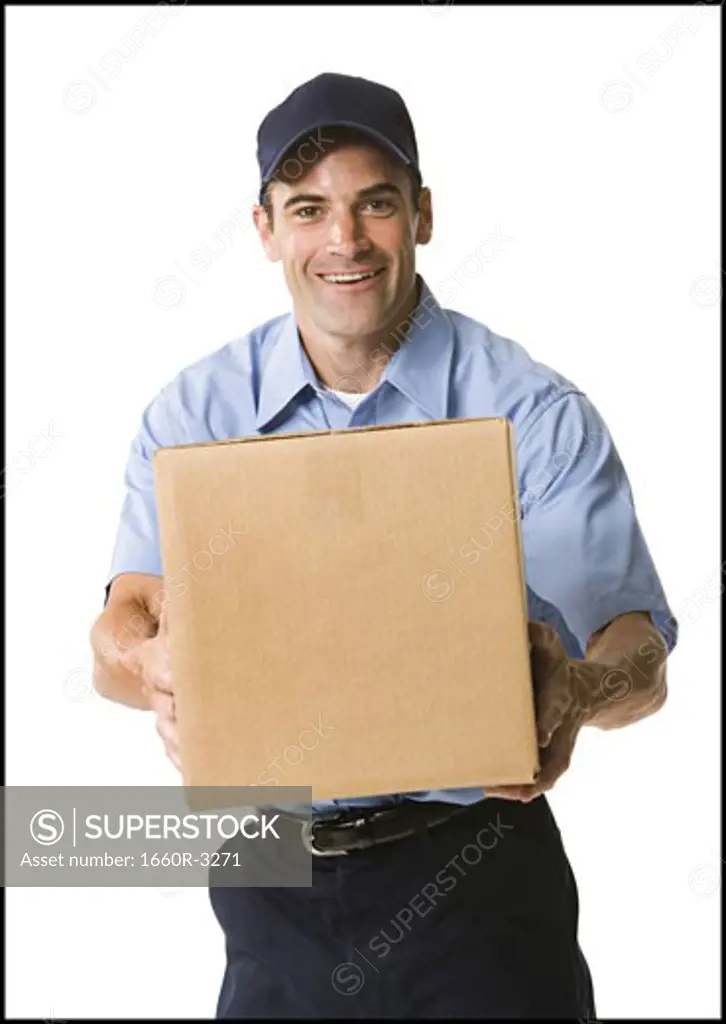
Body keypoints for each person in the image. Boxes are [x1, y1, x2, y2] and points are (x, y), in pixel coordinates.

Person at [90, 72, 678, 1019]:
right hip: (267, 876)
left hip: (476, 877)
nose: (345, 240)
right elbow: (121, 626)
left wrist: (579, 686)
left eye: (376, 204)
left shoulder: (531, 412)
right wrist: (149, 661)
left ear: (424, 214)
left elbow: (638, 654)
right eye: (309, 208)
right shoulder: (196, 413)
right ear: (266, 230)